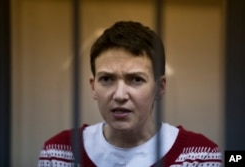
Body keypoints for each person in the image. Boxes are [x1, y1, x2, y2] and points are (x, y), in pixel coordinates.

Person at [38, 21, 222, 167]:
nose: (119, 95)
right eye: (107, 79)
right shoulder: (60, 153)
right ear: (93, 87)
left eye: (136, 79)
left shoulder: (200, 156)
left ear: (160, 88)